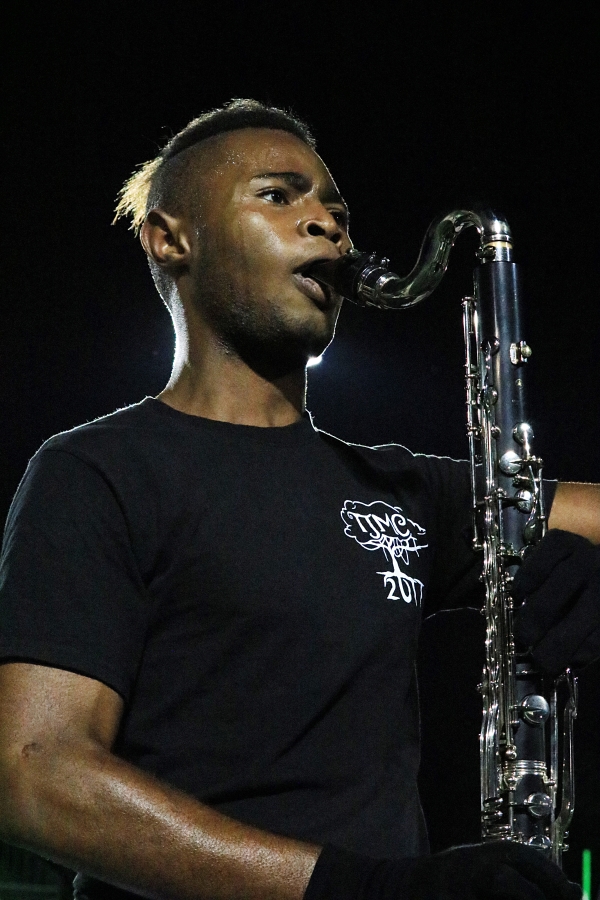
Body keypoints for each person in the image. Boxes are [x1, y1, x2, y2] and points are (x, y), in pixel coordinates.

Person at [0, 99, 598, 900]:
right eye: (278, 196)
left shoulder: (400, 487)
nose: (326, 225)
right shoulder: (97, 470)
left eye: (337, 211)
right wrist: (360, 891)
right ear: (170, 239)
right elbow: (34, 773)